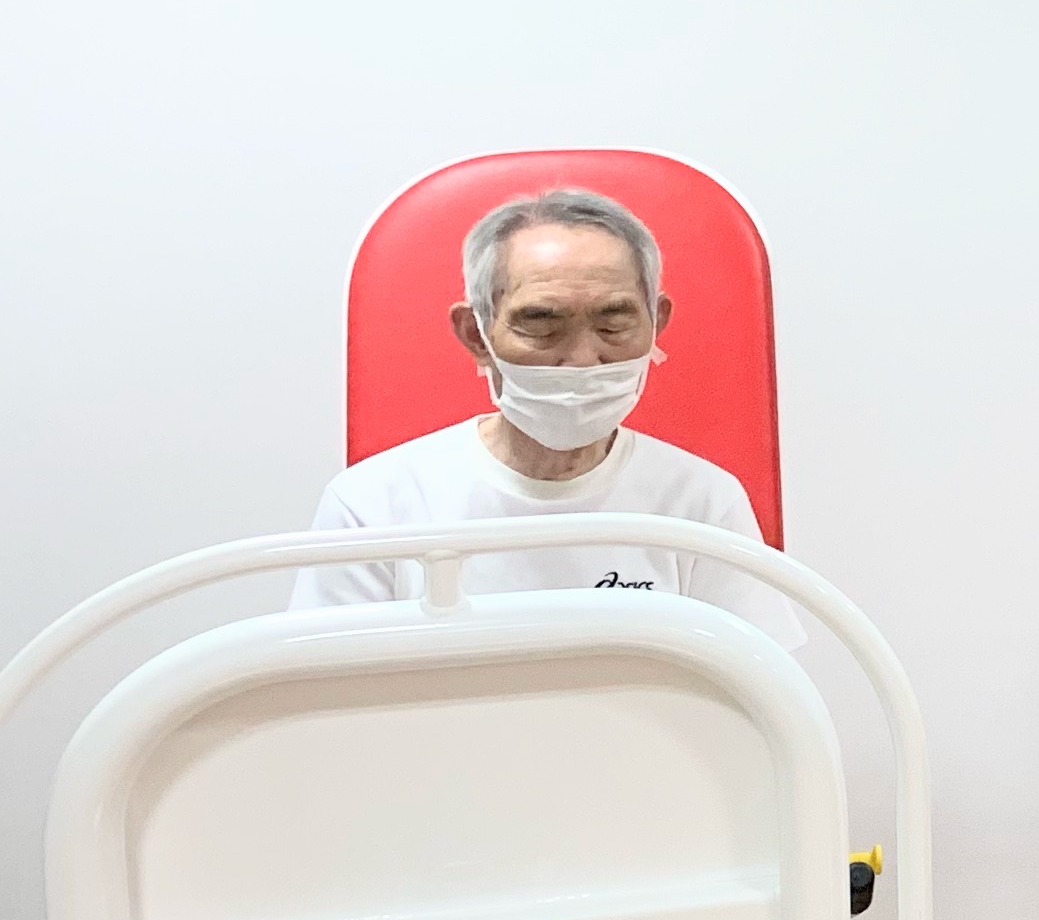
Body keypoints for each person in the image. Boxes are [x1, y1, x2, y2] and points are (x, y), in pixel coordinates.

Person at [295, 184, 800, 647]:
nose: (581, 359)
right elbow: (330, 690)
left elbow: (758, 687)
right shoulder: (373, 507)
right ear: (476, 334)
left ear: (656, 323)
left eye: (614, 323)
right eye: (541, 324)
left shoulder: (700, 503)